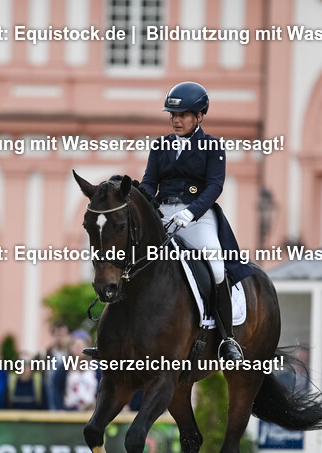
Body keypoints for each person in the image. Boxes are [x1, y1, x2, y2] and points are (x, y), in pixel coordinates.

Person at [86, 81, 245, 361]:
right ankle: (112, 339)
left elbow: (214, 187)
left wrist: (191, 212)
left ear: (199, 116)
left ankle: (226, 338)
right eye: (173, 115)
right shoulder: (160, 146)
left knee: (217, 268)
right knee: (131, 262)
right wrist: (133, 196)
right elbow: (150, 183)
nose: (176, 120)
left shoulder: (213, 147)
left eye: (183, 115)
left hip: (198, 216)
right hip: (162, 214)